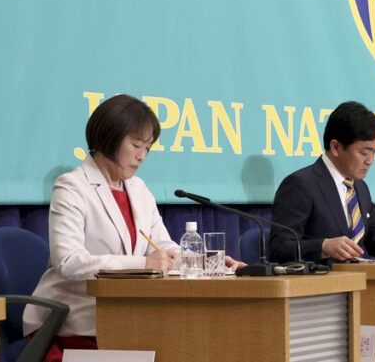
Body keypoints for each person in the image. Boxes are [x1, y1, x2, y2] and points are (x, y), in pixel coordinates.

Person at [24, 94, 243, 359]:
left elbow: (164, 247)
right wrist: (144, 264)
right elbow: (69, 262)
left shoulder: (138, 189)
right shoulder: (72, 186)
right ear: (110, 136)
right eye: (137, 145)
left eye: (147, 148)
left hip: (129, 315)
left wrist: (206, 262)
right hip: (75, 319)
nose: (142, 156)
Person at [270, 101, 375, 263]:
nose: (370, 161)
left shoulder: (359, 186)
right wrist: (323, 246)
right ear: (336, 147)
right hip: (319, 281)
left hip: (357, 280)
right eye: (364, 152)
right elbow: (279, 248)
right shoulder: (301, 184)